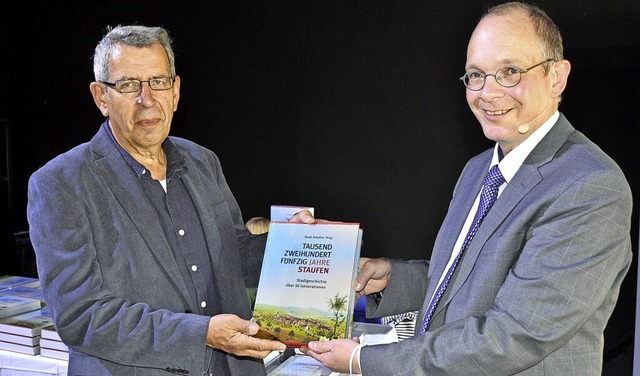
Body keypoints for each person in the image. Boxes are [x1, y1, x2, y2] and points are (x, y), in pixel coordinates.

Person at [301, 2, 633, 375]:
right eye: (476, 75)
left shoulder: (589, 185)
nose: (487, 93)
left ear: (557, 77)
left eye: (509, 71)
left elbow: (515, 334)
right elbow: (468, 279)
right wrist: (392, 279)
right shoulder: (478, 170)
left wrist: (364, 360)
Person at [26, 25, 315, 375]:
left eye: (158, 82)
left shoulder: (202, 161)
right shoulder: (60, 183)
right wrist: (203, 335)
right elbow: (81, 316)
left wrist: (289, 245)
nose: (146, 99)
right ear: (101, 97)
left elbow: (232, 254)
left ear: (175, 91)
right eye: (129, 84)